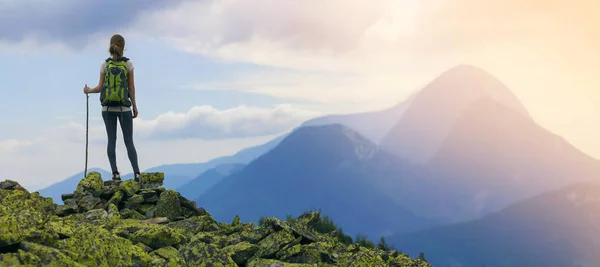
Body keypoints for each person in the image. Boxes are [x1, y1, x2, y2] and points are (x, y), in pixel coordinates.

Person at [83, 34, 141, 181]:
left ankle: (115, 173)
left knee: (111, 141)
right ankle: (137, 173)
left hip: (107, 109)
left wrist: (88, 90)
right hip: (124, 109)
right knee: (129, 141)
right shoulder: (128, 64)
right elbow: (131, 87)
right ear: (123, 46)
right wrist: (134, 105)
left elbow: (100, 87)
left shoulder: (104, 65)